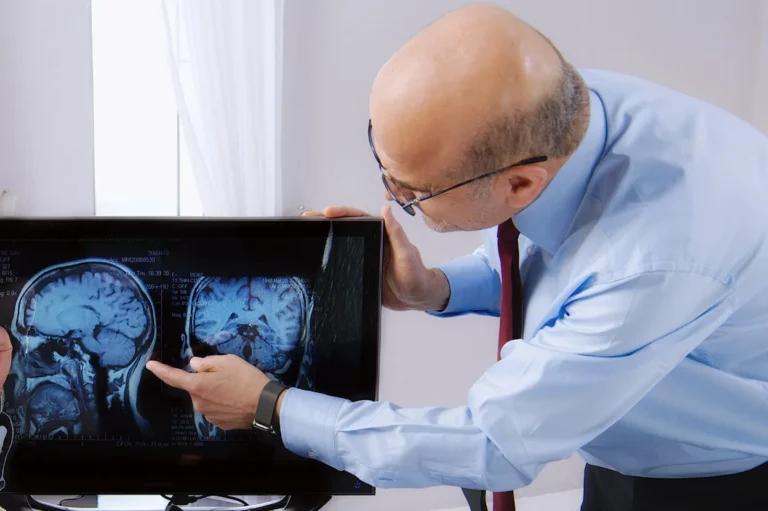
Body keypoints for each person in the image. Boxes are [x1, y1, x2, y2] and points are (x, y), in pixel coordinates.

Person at [146, 4, 768, 510]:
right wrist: (435, 287)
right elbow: (562, 259)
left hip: (714, 482)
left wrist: (271, 408)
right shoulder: (561, 108)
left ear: (519, 183)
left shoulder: (654, 259)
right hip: (627, 441)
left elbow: (493, 442)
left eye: (413, 192)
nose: (390, 198)